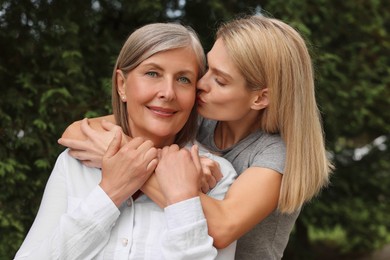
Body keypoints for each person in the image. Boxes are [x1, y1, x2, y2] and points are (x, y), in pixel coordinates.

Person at [59, 14, 333, 259]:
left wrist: (155, 169)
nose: (201, 84)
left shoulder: (274, 154)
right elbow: (79, 133)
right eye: (207, 69)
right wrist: (174, 166)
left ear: (261, 97)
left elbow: (222, 228)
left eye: (220, 80)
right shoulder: (201, 120)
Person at [14, 22, 238, 260]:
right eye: (153, 73)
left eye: (183, 79)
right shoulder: (76, 163)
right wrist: (110, 192)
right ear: (122, 85)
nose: (168, 92)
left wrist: (183, 200)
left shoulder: (215, 175)